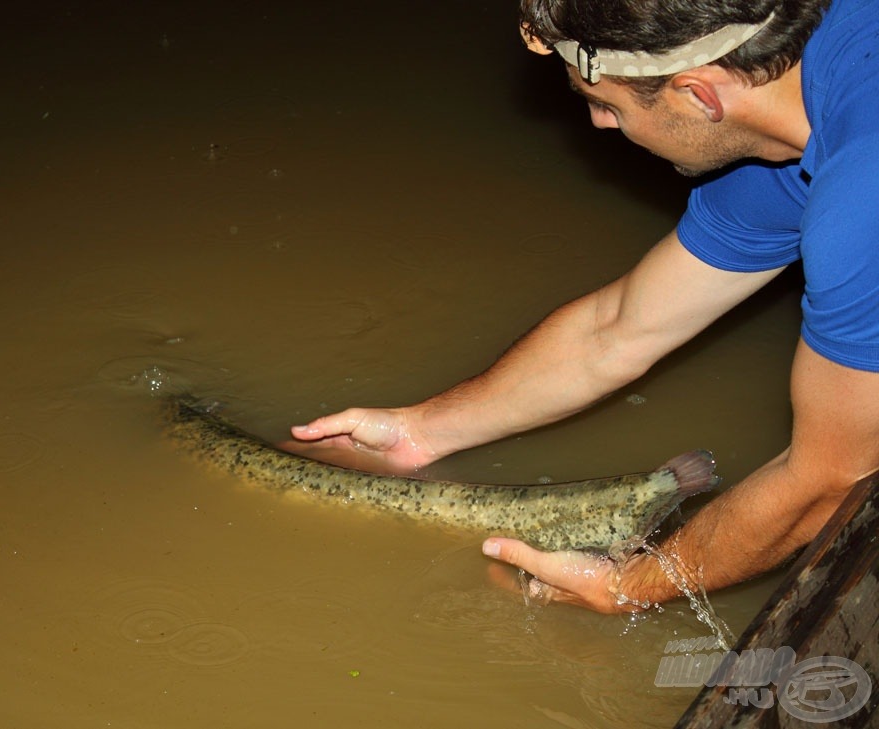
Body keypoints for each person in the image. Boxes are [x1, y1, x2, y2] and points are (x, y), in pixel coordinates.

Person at [291, 0, 879, 614]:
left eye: (606, 104)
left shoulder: (863, 199)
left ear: (701, 96)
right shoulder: (793, 115)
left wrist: (628, 586)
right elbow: (616, 330)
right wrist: (419, 433)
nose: (598, 123)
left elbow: (832, 479)